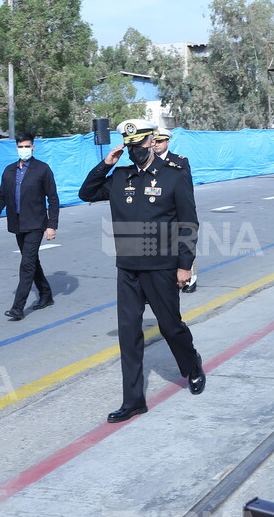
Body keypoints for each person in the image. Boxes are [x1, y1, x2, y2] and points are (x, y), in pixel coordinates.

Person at [79, 118, 205, 422]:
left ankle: (192, 366)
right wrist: (106, 163)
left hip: (161, 267)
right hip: (128, 267)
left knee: (170, 326)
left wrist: (184, 266)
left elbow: (188, 223)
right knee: (129, 334)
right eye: (130, 145)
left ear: (152, 142)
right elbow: (86, 193)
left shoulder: (174, 176)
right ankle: (133, 400)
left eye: (140, 144)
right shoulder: (120, 177)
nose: (135, 150)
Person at [0, 133, 59, 321]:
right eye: (21, 146)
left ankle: (18, 308)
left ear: (33, 147)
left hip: (36, 223)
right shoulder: (9, 171)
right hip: (18, 223)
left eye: (27, 146)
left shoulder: (42, 169)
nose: (24, 149)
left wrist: (51, 225)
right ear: (16, 148)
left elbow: (53, 198)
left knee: (27, 264)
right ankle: (46, 294)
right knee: (32, 261)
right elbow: (1, 195)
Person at [153, 127, 197, 293]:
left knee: (185, 242)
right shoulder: (147, 161)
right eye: (154, 141)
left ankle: (190, 277)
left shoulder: (179, 161)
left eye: (160, 141)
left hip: (178, 207)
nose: (156, 144)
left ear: (167, 142)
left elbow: (186, 190)